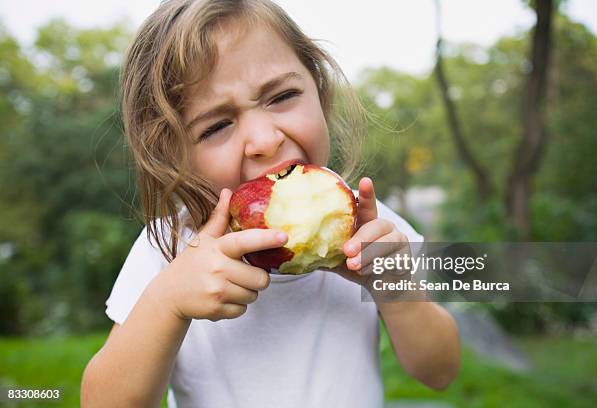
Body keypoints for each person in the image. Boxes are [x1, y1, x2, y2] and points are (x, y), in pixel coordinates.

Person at [80, 0, 460, 406]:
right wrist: (168, 303)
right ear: (175, 154)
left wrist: (394, 285)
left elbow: (439, 371)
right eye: (218, 125)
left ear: (318, 87)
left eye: (281, 96)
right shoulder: (172, 248)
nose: (265, 141)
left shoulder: (372, 228)